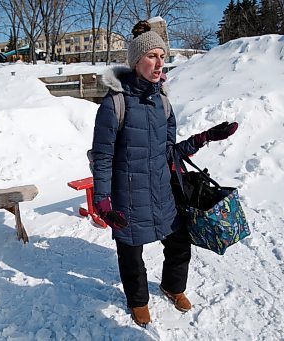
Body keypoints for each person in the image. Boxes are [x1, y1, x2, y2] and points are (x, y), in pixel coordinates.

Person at [91, 20, 238, 327]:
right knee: (131, 255)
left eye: (162, 55)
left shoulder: (163, 103)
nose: (159, 63)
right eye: (151, 56)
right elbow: (103, 157)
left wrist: (205, 137)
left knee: (179, 243)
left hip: (162, 191)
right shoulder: (114, 104)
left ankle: (172, 286)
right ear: (135, 61)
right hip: (127, 195)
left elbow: (168, 152)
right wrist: (102, 200)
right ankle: (138, 301)